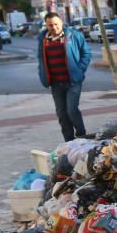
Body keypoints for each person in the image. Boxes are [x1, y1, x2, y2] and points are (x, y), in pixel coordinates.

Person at [37, 11, 91, 142]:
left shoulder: (74, 36)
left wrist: (80, 69)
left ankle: (81, 135)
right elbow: (41, 59)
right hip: (56, 83)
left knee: (71, 110)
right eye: (50, 25)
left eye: (56, 24)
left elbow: (86, 53)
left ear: (61, 22)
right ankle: (69, 141)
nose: (54, 27)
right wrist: (42, 73)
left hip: (72, 81)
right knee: (62, 114)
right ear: (46, 25)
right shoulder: (43, 40)